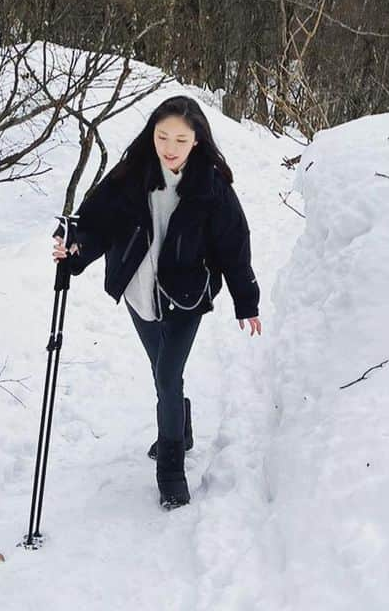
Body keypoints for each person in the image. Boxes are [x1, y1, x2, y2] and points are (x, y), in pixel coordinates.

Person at [52, 95, 262, 510]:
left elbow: (234, 245)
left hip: (186, 297)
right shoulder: (132, 174)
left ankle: (170, 468)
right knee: (162, 371)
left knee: (167, 375)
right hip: (138, 292)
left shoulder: (212, 188)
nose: (169, 147)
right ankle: (179, 423)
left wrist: (246, 301)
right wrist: (74, 249)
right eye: (162, 136)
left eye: (180, 140)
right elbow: (96, 223)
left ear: (197, 141)